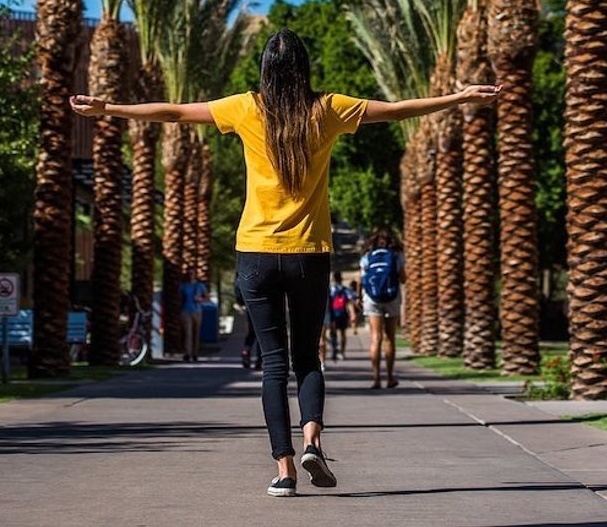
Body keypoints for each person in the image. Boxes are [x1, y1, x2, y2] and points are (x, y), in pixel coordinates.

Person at [70, 28, 498, 498]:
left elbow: (174, 112)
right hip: (308, 254)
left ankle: (285, 470)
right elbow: (396, 111)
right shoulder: (328, 108)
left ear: (265, 71)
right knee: (308, 357)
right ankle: (313, 440)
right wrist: (459, 97)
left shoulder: (245, 107)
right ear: (303, 67)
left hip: (255, 253)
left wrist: (108, 109)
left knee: (273, 365)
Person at [360, 226, 407, 389]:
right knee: (390, 337)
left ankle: (376, 378)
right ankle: (390, 377)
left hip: (372, 298)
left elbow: (362, 279)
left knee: (375, 337)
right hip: (392, 297)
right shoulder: (397, 254)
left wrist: (359, 298)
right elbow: (403, 279)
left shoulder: (367, 255)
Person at [179, 270, 207, 362]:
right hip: (186, 311)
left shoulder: (200, 286)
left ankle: (195, 353)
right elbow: (180, 298)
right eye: (189, 274)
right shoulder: (183, 286)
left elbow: (206, 297)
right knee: (187, 333)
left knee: (196, 333)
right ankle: (187, 353)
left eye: (192, 274)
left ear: (195, 275)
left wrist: (200, 299)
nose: (190, 275)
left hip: (197, 311)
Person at [234, 278, 262, 370]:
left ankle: (246, 351)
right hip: (261, 304)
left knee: (251, 332)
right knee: (261, 333)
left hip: (249, 305)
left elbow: (238, 292)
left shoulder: (240, 276)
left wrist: (241, 303)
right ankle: (259, 360)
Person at [327, 271, 355, 361]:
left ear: (333, 279)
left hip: (333, 315)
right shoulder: (345, 289)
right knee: (343, 334)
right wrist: (352, 314)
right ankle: (342, 352)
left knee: (333, 334)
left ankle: (335, 349)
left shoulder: (331, 290)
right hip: (343, 314)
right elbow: (349, 302)